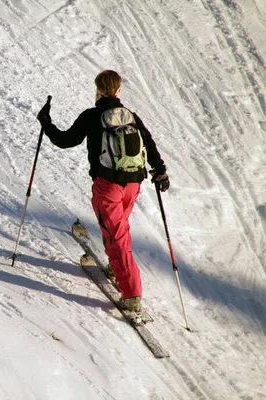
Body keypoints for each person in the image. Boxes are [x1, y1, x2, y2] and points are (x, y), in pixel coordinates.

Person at [36, 70, 170, 312]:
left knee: (116, 235)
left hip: (107, 185)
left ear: (97, 89)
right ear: (118, 91)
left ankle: (131, 294)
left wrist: (46, 123)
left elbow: (65, 140)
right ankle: (115, 267)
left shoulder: (92, 116)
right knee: (118, 228)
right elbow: (149, 144)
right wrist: (160, 171)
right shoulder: (131, 116)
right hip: (133, 184)